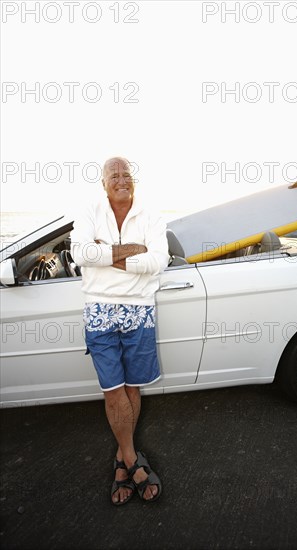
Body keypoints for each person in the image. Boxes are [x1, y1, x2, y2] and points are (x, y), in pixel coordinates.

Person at [71, 157, 170, 505]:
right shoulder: (89, 210)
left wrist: (105, 253)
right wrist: (132, 252)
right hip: (99, 309)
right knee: (113, 390)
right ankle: (131, 459)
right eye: (113, 174)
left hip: (139, 309)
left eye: (126, 173)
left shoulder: (151, 215)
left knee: (132, 387)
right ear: (103, 183)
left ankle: (120, 456)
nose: (120, 178)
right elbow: (79, 252)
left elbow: (159, 260)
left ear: (134, 180)